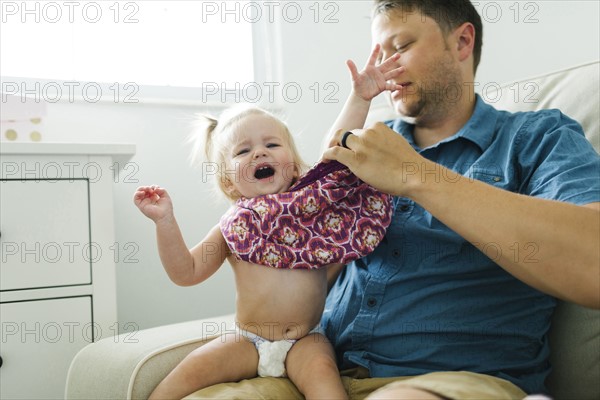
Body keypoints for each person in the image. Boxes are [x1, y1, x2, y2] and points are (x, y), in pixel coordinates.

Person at [187, 0, 600, 399]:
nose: (386, 67)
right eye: (379, 53)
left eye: (400, 47)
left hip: (452, 380)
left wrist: (414, 175)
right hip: (318, 369)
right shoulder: (365, 146)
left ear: (461, 43)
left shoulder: (537, 139)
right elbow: (312, 252)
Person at [133, 46, 404, 400]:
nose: (259, 152)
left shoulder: (310, 208)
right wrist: (165, 221)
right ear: (230, 182)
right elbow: (186, 272)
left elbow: (337, 151)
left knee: (326, 380)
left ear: (293, 165)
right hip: (247, 340)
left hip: (305, 340)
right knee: (177, 381)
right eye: (243, 151)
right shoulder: (235, 227)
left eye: (272, 144)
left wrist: (359, 96)